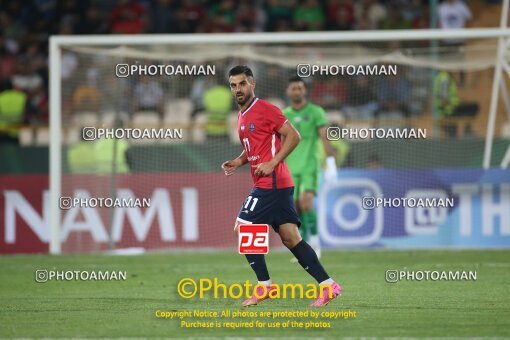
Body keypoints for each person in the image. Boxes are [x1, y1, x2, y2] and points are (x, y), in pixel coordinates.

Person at [222, 66, 341, 307]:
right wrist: (239, 161)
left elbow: (294, 135)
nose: (238, 89)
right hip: (278, 184)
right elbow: (253, 147)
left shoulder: (265, 109)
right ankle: (328, 286)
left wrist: (273, 162)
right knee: (291, 238)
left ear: (252, 84)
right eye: (233, 85)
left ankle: (265, 285)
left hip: (272, 182)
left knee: (242, 227)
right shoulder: (242, 114)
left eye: (242, 84)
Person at [283, 76, 338, 260]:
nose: (297, 91)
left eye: (299, 88)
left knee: (306, 203)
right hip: (291, 167)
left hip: (310, 165)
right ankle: (304, 246)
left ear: (304, 91)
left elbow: (324, 137)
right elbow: (280, 142)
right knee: (296, 208)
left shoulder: (315, 112)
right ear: (288, 92)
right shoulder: (284, 114)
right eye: (293, 88)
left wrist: (330, 162)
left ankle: (315, 243)